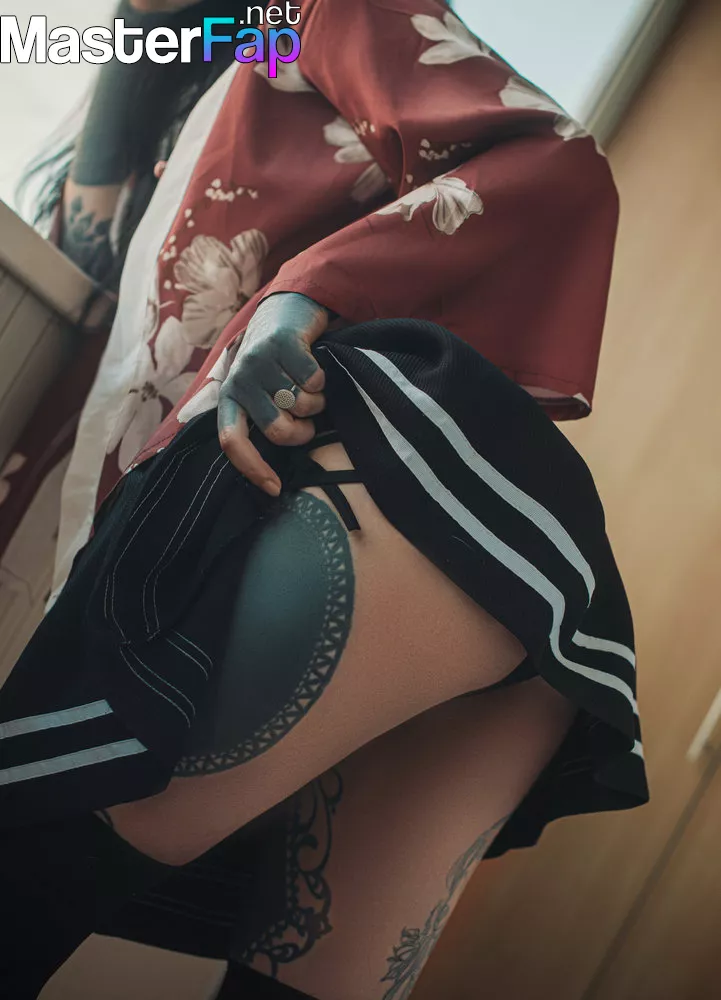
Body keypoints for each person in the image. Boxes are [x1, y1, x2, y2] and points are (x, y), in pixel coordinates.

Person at [0, 1, 648, 998]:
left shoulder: (307, 14)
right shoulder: (196, 86)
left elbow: (554, 164)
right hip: (504, 566)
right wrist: (134, 54)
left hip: (355, 498)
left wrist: (301, 296)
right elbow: (85, 280)